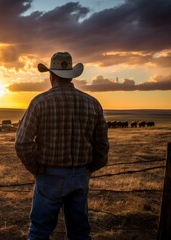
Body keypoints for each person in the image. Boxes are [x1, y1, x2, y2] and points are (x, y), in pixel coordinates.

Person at [15, 52, 109, 240]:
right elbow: (102, 144)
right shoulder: (92, 103)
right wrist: (89, 168)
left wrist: (37, 168)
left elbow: (22, 142)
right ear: (72, 76)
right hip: (81, 175)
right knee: (80, 232)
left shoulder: (40, 102)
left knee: (39, 231)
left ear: (51, 76)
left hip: (50, 174)